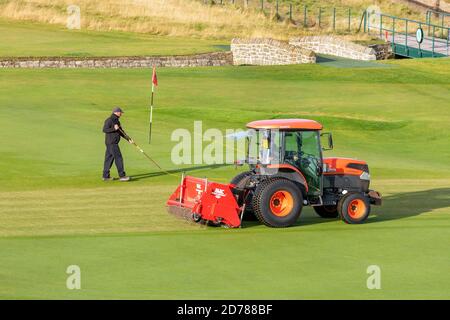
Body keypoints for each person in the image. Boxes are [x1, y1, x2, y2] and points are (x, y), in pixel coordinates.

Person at [102, 107, 134, 181]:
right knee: (118, 158)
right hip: (112, 143)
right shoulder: (109, 120)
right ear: (116, 112)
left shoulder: (117, 121)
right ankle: (122, 176)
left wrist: (128, 139)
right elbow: (104, 130)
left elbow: (121, 132)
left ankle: (105, 176)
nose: (121, 114)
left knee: (109, 159)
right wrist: (114, 128)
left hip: (112, 143)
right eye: (120, 112)